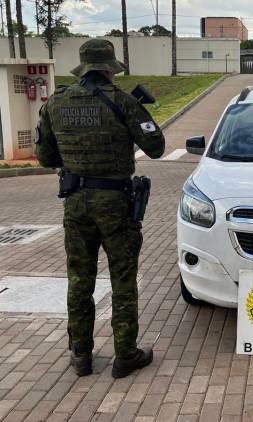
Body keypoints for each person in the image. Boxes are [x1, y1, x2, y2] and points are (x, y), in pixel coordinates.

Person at [35, 39, 165, 378]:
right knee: (123, 279)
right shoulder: (123, 101)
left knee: (79, 280)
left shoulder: (56, 102)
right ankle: (125, 355)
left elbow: (46, 157)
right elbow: (156, 147)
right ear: (110, 69)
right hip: (116, 203)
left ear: (82, 68)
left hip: (76, 203)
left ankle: (81, 356)